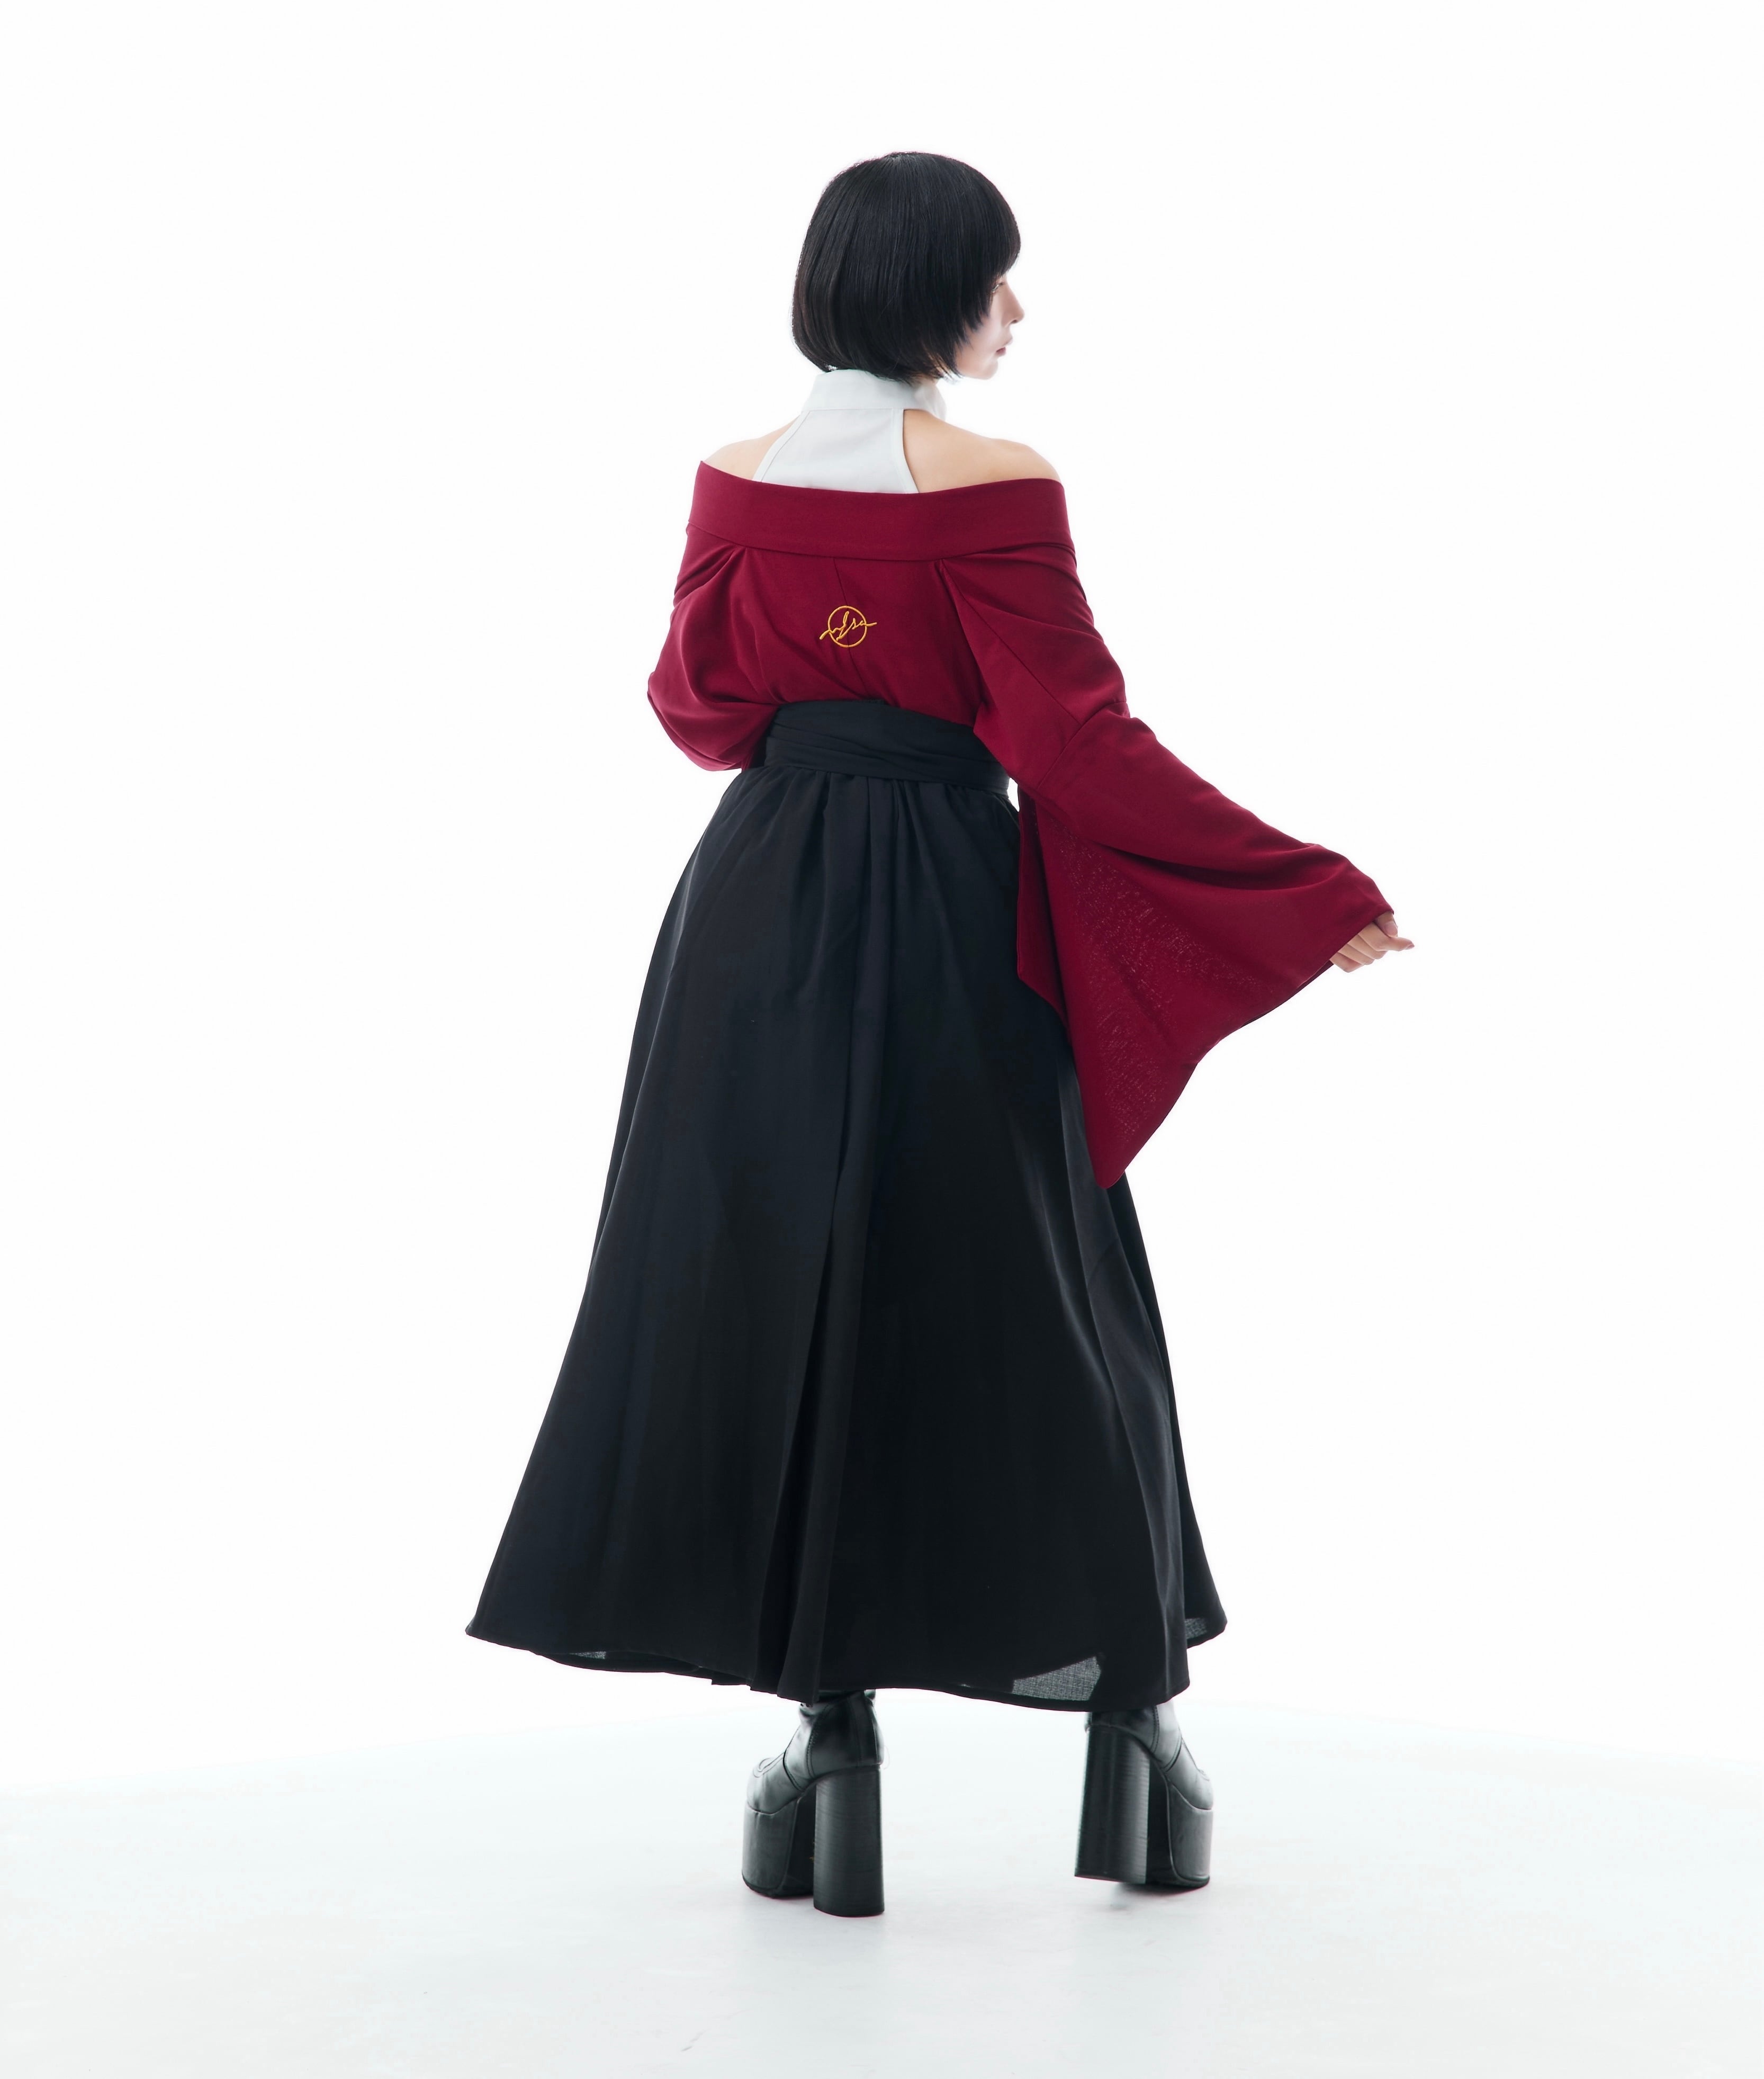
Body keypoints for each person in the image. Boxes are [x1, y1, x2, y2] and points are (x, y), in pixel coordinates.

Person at [466, 151, 1411, 1918]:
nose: (1018, 312)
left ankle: (828, 1741)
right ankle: (1132, 1727)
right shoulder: (995, 485)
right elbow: (1078, 746)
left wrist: (816, 650)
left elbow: (696, 709)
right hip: (955, 914)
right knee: (1045, 1292)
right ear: (932, 292)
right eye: (999, 279)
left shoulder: (735, 475)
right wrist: (1296, 887)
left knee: (776, 1288)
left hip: (756, 914)